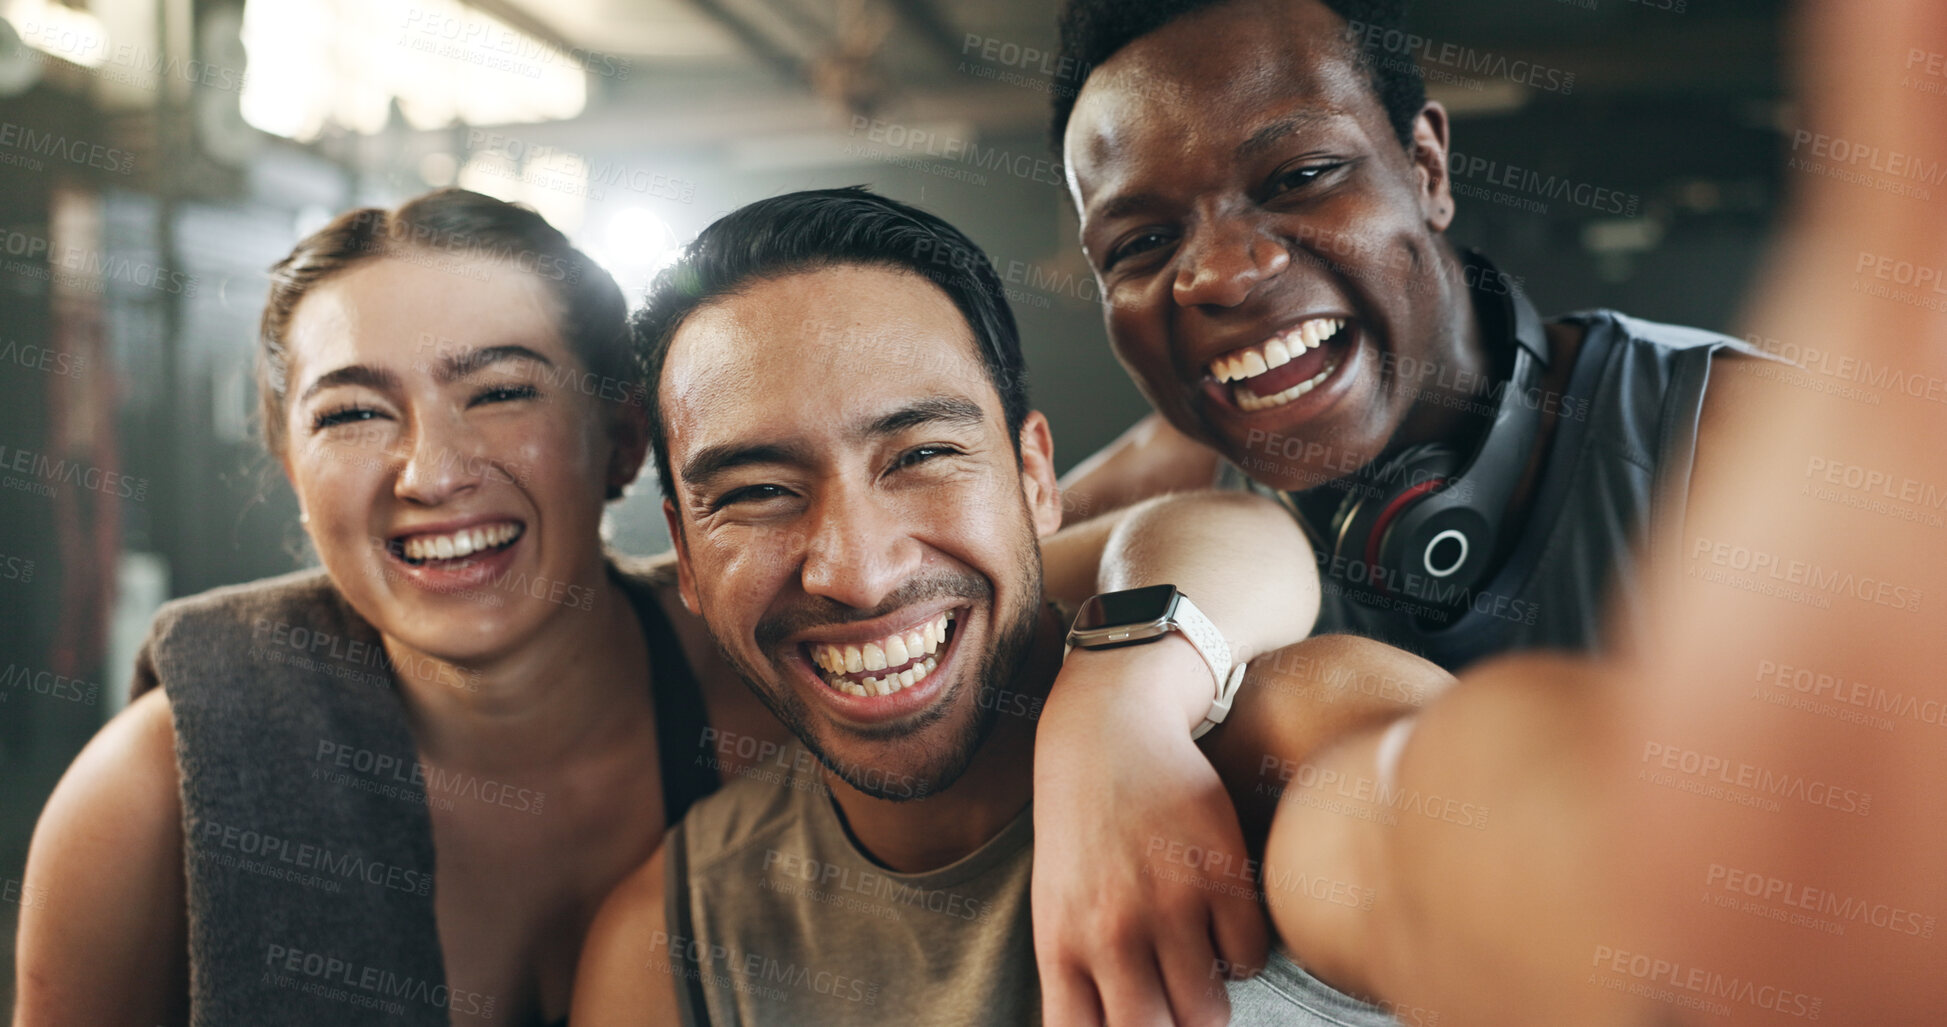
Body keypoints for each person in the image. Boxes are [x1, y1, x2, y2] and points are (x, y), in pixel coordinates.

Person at [10, 189, 1312, 1027]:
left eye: (500, 389)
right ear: (287, 463)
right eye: (352, 411)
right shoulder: (162, 786)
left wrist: (1122, 701)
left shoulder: (788, 640)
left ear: (623, 444)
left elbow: (1205, 533)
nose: (431, 469)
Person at [568, 187, 1454, 1025]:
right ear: (685, 553)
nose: (858, 574)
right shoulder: (671, 944)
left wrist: (1118, 711)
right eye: (757, 491)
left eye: (920, 456)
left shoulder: (1276, 740)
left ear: (1033, 477)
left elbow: (1488, 862)